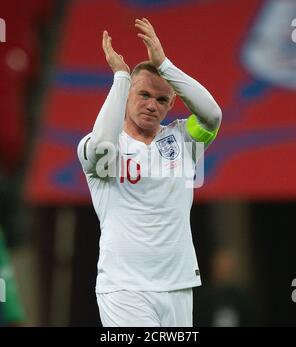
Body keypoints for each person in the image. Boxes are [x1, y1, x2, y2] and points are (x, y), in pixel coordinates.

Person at [77, 18, 222, 327]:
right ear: (128, 94)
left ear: (171, 105)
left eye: (162, 100)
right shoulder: (98, 145)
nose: (153, 105)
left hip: (178, 284)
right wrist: (120, 77)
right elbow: (103, 145)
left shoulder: (184, 140)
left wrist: (165, 65)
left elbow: (212, 114)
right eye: (143, 94)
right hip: (124, 287)